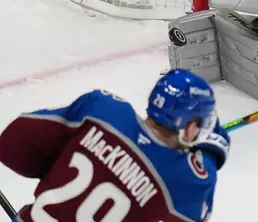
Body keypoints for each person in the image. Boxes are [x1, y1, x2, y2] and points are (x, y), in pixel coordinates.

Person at [0, 69, 230, 221]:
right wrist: (210, 154)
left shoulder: (103, 111)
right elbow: (195, 208)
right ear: (189, 128)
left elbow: (12, 145)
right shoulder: (180, 177)